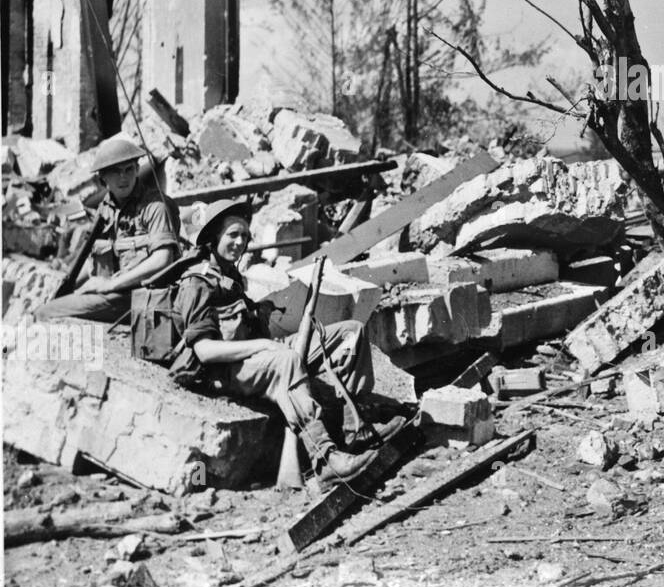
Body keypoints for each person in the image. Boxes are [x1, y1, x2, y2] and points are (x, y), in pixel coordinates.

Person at [168, 199, 403, 487]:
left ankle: (354, 427)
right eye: (232, 235)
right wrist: (264, 347)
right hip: (224, 371)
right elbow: (205, 351)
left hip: (255, 355)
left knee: (351, 331)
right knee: (287, 360)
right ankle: (326, 460)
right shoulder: (197, 283)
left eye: (244, 235)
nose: (240, 242)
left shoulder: (232, 275)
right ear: (213, 238)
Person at [35, 135, 181, 324]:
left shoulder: (155, 206)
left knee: (46, 313)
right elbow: (94, 261)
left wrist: (109, 284)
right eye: (116, 172)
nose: (124, 177)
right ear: (103, 178)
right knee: (51, 306)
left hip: (147, 296)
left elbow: (162, 260)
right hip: (119, 293)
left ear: (137, 169)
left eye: (129, 169)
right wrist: (72, 289)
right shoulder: (106, 209)